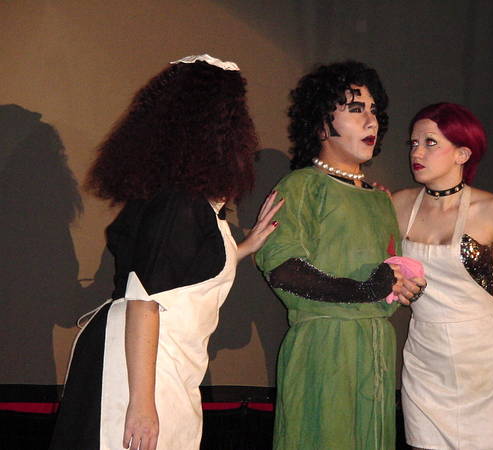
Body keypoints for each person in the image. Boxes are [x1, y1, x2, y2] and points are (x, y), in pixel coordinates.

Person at [49, 54, 283, 450]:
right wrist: (142, 404)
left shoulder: (184, 200)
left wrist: (243, 247)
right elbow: (145, 301)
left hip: (161, 361)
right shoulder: (179, 202)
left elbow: (185, 276)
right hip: (143, 366)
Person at [255, 61, 426, 450]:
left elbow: (387, 276)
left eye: (373, 111)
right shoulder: (301, 186)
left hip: (376, 351)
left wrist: (401, 286)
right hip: (324, 348)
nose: (371, 121)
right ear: (321, 125)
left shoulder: (379, 199)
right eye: (355, 109)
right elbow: (283, 269)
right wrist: (362, 290)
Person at [392, 102, 493, 449]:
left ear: (463, 154)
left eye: (430, 142)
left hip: (489, 361)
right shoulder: (397, 204)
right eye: (413, 143)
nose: (417, 152)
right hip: (426, 360)